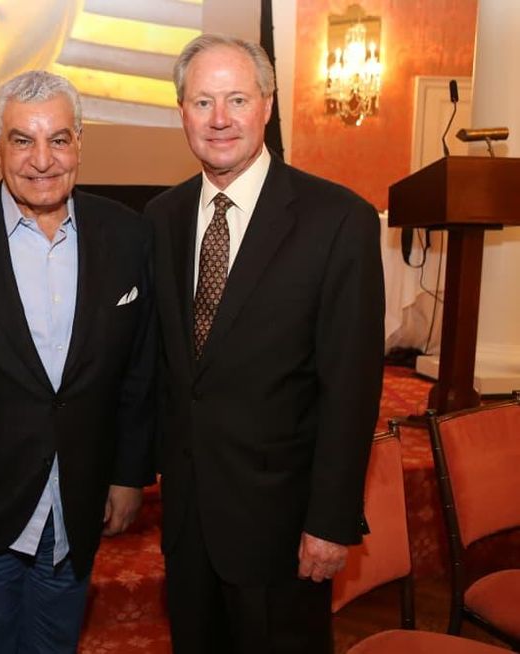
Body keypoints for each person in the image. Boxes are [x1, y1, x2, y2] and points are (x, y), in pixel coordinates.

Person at [146, 34, 384, 653]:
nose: (219, 119)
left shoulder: (339, 221)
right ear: (182, 112)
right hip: (188, 524)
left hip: (284, 528)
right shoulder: (162, 219)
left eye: (237, 99)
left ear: (268, 105)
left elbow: (351, 389)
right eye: (202, 102)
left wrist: (330, 522)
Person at [0, 70, 156, 654]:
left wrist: (127, 474)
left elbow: (138, 368)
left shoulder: (127, 235)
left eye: (59, 139)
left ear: (79, 143)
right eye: (22, 140)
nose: (42, 160)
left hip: (76, 512)